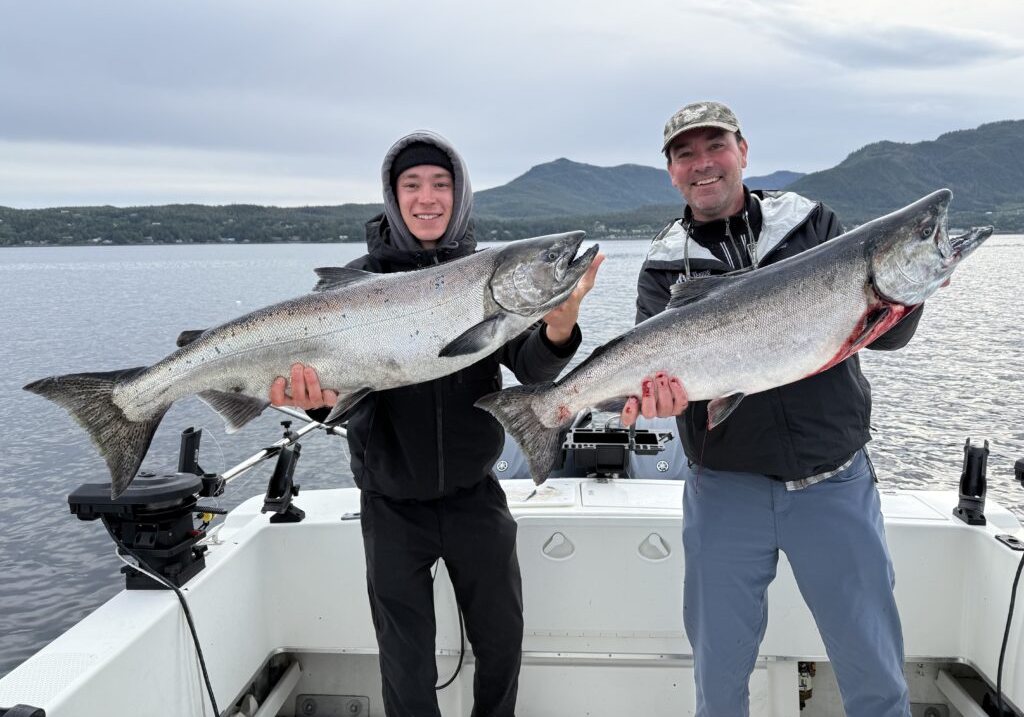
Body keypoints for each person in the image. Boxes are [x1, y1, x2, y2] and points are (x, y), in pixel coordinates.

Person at [269, 130, 602, 717]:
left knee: (502, 644)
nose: (428, 198)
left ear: (461, 195)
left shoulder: (489, 275)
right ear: (393, 196)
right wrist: (310, 401)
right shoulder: (355, 282)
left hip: (476, 495)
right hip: (391, 503)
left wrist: (559, 322)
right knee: (406, 663)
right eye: (412, 185)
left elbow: (529, 366)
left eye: (442, 184)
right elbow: (331, 396)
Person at [622, 101, 921, 717]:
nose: (703, 164)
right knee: (720, 677)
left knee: (874, 667)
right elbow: (650, 380)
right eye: (685, 154)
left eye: (715, 146)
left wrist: (909, 284)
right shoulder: (661, 263)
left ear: (744, 150)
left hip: (834, 479)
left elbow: (887, 335)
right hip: (725, 491)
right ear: (671, 171)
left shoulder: (810, 222)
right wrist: (658, 401)